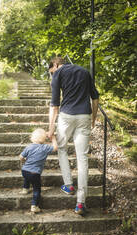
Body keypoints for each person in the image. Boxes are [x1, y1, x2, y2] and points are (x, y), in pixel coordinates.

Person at [48, 56, 99, 216]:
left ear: (56, 64)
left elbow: (55, 104)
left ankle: (69, 185)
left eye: (52, 71)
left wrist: (50, 128)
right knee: (82, 158)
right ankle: (80, 203)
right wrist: (93, 120)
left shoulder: (58, 73)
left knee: (62, 148)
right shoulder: (84, 71)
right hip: (84, 115)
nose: (52, 74)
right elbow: (95, 97)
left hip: (66, 116)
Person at [20, 128, 58, 213]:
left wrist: (24, 160)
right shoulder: (45, 147)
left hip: (24, 170)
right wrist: (53, 138)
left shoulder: (29, 146)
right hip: (35, 173)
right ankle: (34, 205)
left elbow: (21, 157)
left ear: (32, 137)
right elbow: (55, 148)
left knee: (27, 176)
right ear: (44, 139)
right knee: (36, 189)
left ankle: (25, 189)